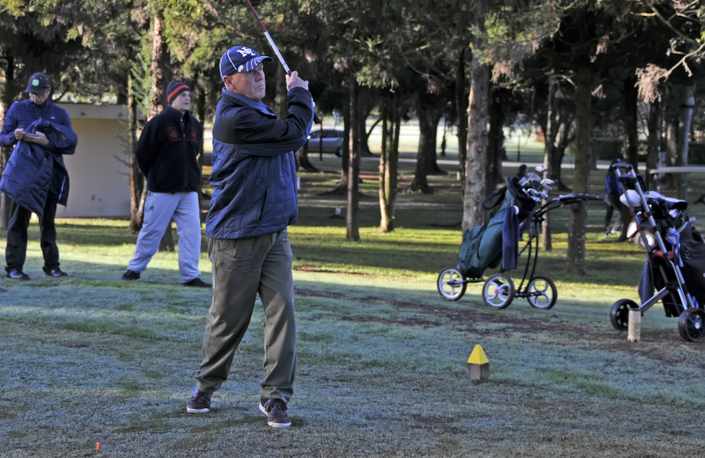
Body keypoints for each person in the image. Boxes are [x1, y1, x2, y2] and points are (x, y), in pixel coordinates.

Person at [186, 45, 314, 429]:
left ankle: (276, 396)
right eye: (249, 71)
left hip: (274, 232)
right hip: (237, 236)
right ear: (229, 82)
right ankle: (205, 386)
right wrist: (300, 94)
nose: (259, 75)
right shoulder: (234, 119)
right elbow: (294, 133)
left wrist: (300, 102)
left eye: (260, 68)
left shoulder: (258, 112)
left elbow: (293, 133)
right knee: (229, 319)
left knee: (283, 313)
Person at [121, 80, 209, 288]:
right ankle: (134, 269)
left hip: (188, 190)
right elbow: (143, 154)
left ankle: (190, 275)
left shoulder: (195, 125)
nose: (187, 98)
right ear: (172, 98)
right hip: (162, 190)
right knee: (152, 231)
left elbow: (195, 153)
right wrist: (157, 176)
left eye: (188, 95)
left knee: (192, 233)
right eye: (182, 95)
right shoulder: (158, 123)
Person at [0, 72, 77, 280]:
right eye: (32, 93)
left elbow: (70, 144)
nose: (35, 97)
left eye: (39, 93)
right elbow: (2, 137)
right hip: (24, 176)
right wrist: (13, 136)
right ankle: (14, 267)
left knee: (48, 223)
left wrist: (48, 143)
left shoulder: (59, 114)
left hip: (49, 175)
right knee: (18, 221)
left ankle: (52, 266)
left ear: (48, 91)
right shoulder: (18, 108)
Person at [604, 158, 630, 241]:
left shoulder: (615, 173)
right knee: (619, 212)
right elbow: (610, 186)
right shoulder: (612, 174)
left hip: (614, 195)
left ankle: (611, 228)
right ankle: (611, 228)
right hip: (613, 195)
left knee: (614, 213)